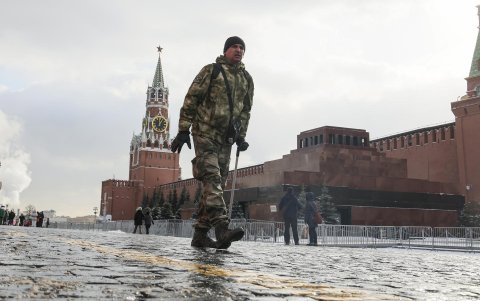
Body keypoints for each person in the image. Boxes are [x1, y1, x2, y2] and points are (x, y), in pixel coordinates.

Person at [171, 36, 254, 249]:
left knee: (215, 185)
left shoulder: (246, 79)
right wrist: (183, 130)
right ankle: (221, 227)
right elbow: (192, 98)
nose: (238, 50)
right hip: (205, 133)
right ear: (226, 50)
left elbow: (245, 110)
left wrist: (241, 136)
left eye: (241, 47)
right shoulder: (211, 70)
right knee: (212, 177)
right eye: (234, 47)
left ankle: (200, 235)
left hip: (226, 140)